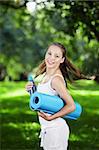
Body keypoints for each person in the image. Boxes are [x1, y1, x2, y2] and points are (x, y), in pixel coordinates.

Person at [26, 42, 85, 150]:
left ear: (62, 60)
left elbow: (71, 106)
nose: (51, 58)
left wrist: (51, 117)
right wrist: (32, 90)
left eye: (57, 56)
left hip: (55, 130)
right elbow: (43, 100)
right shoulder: (46, 75)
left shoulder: (56, 79)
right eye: (49, 53)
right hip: (48, 129)